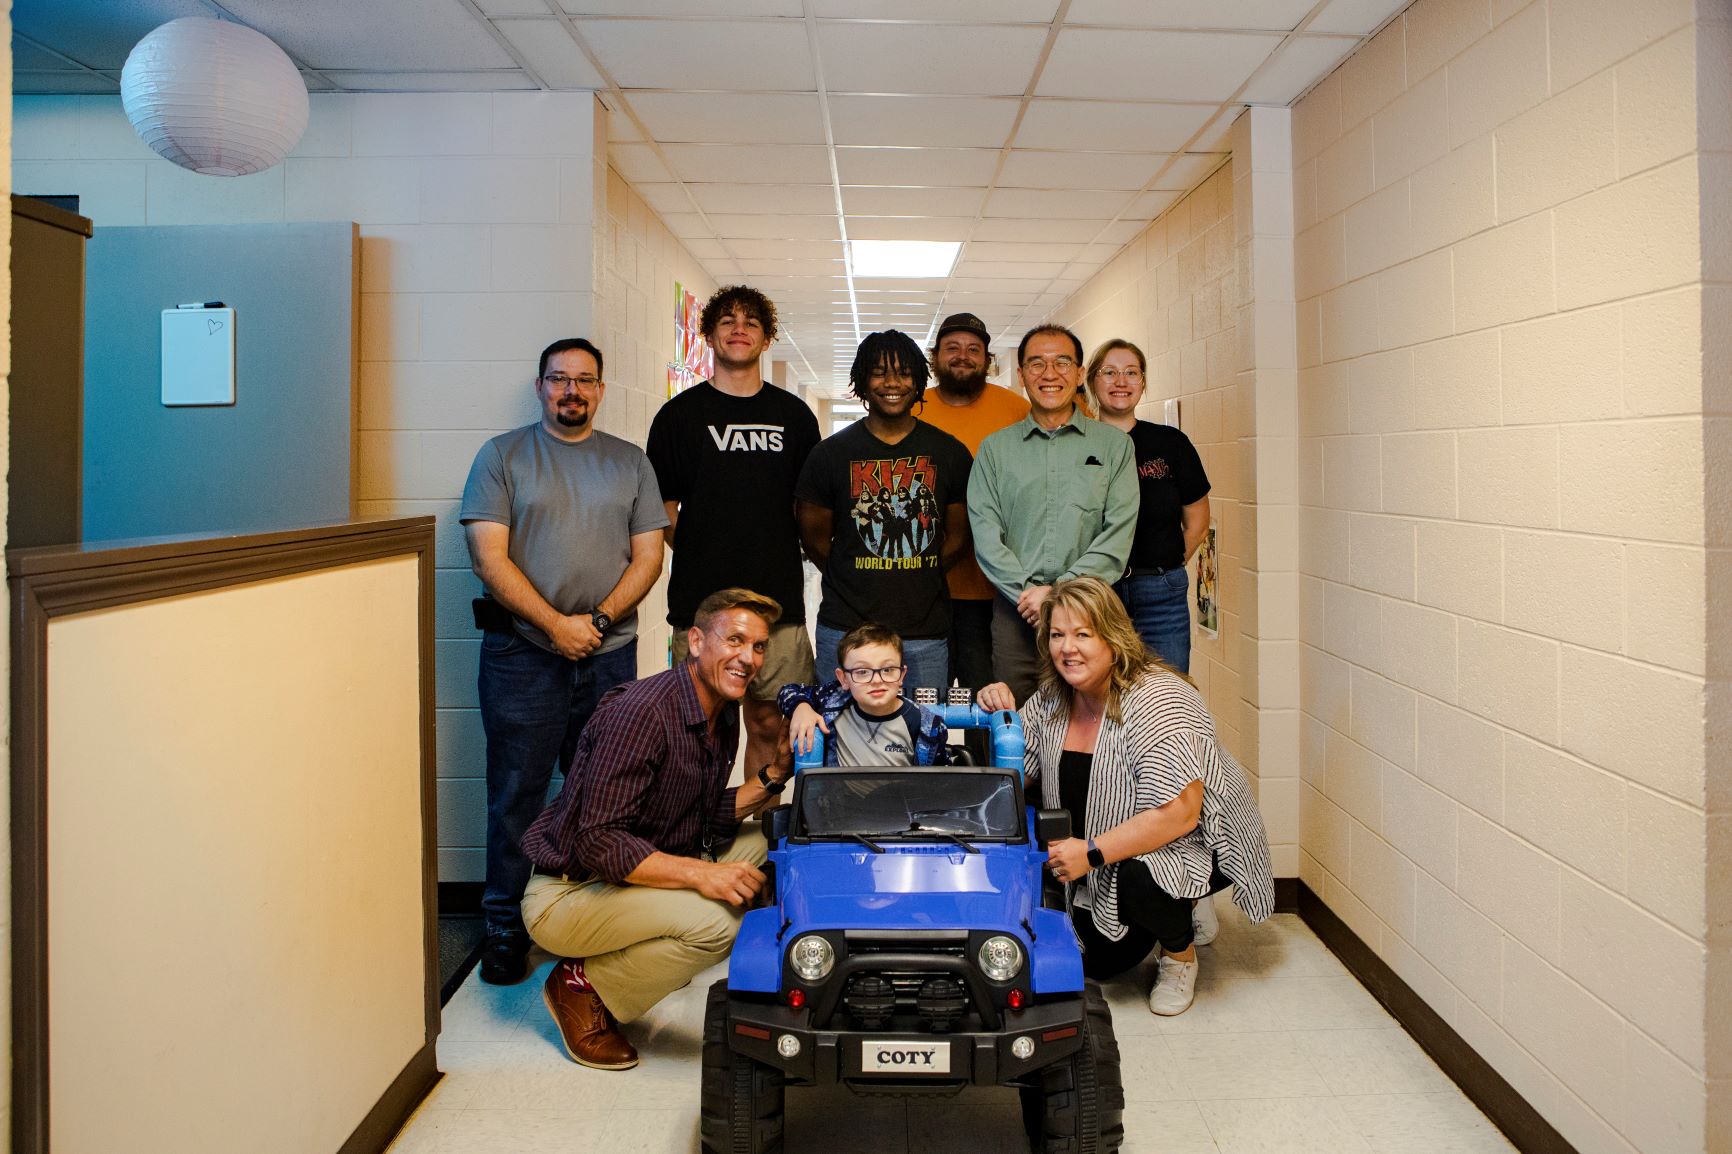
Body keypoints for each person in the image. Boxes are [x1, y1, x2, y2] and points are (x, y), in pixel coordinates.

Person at [460, 337, 667, 986]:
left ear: (601, 389)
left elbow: (649, 557)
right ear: (540, 385)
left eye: (585, 380)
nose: (571, 390)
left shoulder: (630, 463)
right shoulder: (502, 457)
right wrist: (554, 626)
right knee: (515, 794)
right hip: (521, 657)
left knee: (603, 794)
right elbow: (487, 557)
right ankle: (504, 928)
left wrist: (597, 622)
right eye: (559, 379)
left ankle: (591, 924)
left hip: (608, 659)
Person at [518, 589, 795, 1069]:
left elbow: (702, 811)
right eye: (734, 640)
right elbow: (599, 841)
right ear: (695, 641)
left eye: (758, 646)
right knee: (717, 925)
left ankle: (656, 953)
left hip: (628, 873)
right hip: (570, 893)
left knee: (776, 844)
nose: (748, 658)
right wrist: (700, 875)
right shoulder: (643, 713)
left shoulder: (719, 710)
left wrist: (773, 776)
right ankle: (582, 987)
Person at [978, 576, 1273, 1016]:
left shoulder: (1158, 698)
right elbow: (1015, 775)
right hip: (1098, 848)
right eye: (1057, 635)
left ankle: (1179, 954)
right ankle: (1169, 907)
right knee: (1097, 963)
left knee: (1141, 879)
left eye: (1083, 634)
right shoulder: (1055, 695)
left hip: (1191, 840)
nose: (1067, 648)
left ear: (1113, 636)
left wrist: (1092, 854)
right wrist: (997, 714)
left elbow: (1181, 814)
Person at [646, 285, 822, 776]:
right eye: (726, 320)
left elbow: (806, 505)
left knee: (772, 725)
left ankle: (759, 842)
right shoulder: (678, 417)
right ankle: (700, 838)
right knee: (698, 727)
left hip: (779, 604)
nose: (738, 328)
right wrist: (703, 546)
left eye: (750, 321)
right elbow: (662, 505)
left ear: (766, 339)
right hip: (701, 604)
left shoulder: (794, 417)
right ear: (709, 335)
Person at [967, 324, 1138, 702]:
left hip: (1091, 612)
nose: (1049, 374)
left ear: (1079, 374)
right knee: (1015, 720)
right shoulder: (995, 449)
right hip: (1017, 613)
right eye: (1036, 364)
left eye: (1062, 362)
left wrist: (1058, 596)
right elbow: (985, 534)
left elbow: (1118, 533)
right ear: (1023, 374)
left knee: (1091, 718)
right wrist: (1031, 596)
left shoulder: (1115, 446)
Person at [796, 330, 972, 691]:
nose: (892, 383)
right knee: (838, 738)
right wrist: (853, 574)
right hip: (845, 626)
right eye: (879, 372)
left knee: (922, 741)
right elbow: (813, 538)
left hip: (923, 633)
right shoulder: (830, 454)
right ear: (862, 380)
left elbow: (960, 535)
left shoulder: (949, 452)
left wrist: (921, 569)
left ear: (919, 381)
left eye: (904, 373)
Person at [914, 312, 1030, 691]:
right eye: (952, 348)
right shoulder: (914, 408)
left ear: (986, 359)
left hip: (996, 593)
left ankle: (985, 756)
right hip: (927, 590)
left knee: (991, 702)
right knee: (927, 706)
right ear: (935, 357)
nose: (963, 356)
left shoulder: (1016, 411)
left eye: (973, 349)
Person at [1083, 339, 1211, 674]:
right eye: (1109, 373)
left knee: (1167, 698)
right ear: (1093, 380)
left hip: (1161, 594)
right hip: (1097, 593)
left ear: (1143, 382)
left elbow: (1197, 521)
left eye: (1131, 373)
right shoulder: (1076, 444)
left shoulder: (1171, 443)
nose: (1121, 381)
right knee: (1100, 696)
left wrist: (1166, 565)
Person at [778, 622, 952, 767]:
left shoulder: (925, 724)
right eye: (862, 672)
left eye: (888, 669)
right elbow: (787, 691)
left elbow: (938, 784)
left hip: (901, 804)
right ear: (843, 678)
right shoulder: (832, 699)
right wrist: (801, 707)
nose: (876, 680)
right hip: (841, 804)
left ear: (901, 675)